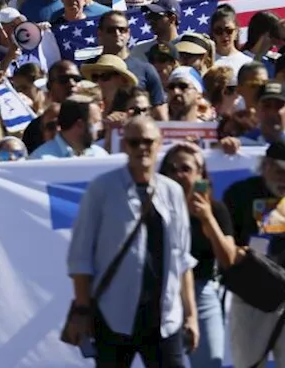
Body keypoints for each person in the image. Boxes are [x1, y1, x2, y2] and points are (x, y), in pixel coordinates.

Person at [65, 117, 197, 367]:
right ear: (125, 145)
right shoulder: (101, 189)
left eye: (148, 142)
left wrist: (191, 315)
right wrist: (82, 310)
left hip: (164, 317)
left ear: (159, 145)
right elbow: (81, 255)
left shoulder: (173, 192)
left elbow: (182, 259)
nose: (142, 149)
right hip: (114, 314)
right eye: (134, 142)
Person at [221, 138, 285, 368]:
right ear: (266, 166)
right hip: (250, 300)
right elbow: (226, 244)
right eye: (282, 171)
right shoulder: (239, 194)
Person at [161, 142, 233, 368]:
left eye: (185, 169)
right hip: (163, 291)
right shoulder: (154, 208)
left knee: (210, 361)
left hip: (202, 291)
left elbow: (228, 259)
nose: (178, 174)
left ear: (200, 174)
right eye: (171, 169)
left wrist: (207, 219)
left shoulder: (216, 209)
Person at [30, 97, 107, 159]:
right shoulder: (41, 160)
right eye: (96, 122)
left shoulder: (100, 155)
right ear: (79, 124)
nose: (100, 128)